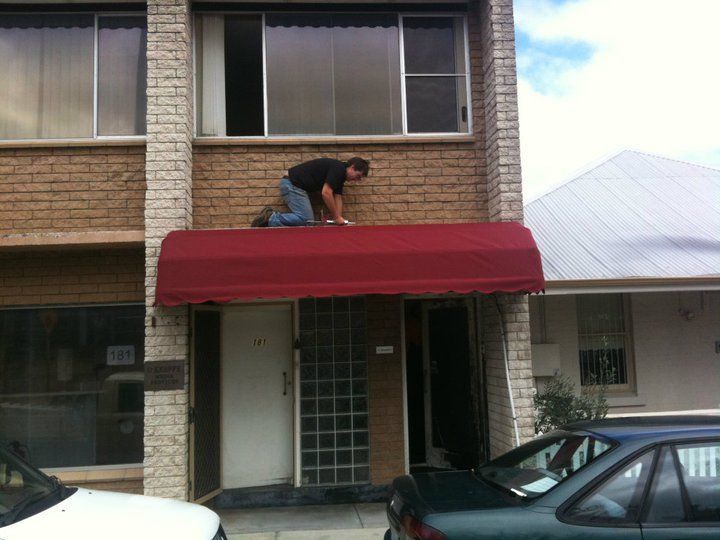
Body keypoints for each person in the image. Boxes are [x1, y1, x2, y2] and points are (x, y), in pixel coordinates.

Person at [251, 157, 369, 227]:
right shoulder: (338, 169)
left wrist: (339, 218)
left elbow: (337, 197)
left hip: (294, 185)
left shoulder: (340, 175)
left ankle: (271, 217)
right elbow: (326, 193)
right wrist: (336, 217)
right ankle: (270, 218)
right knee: (306, 220)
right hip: (292, 184)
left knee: (307, 221)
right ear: (352, 167)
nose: (357, 180)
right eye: (358, 176)